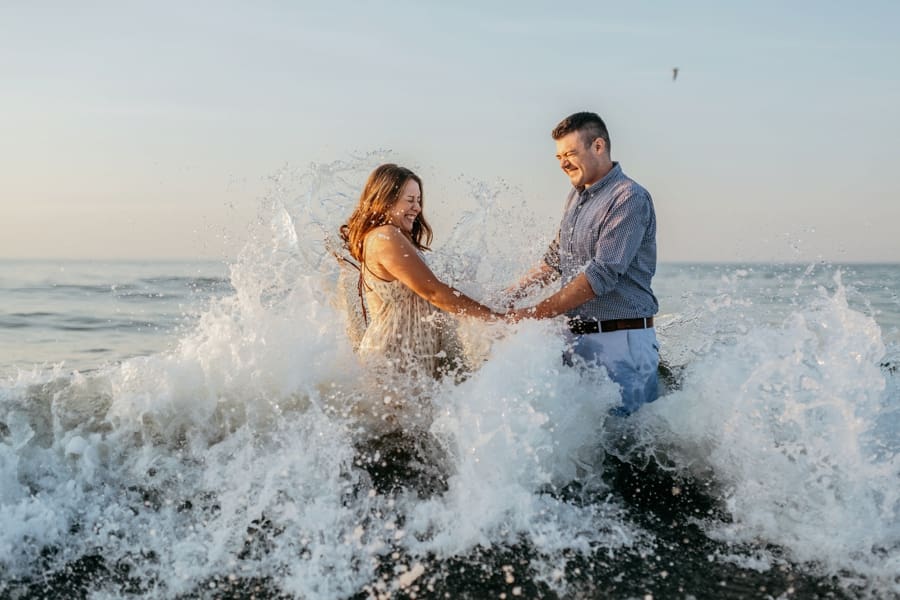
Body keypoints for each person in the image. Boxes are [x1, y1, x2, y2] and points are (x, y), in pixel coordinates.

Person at [507, 111, 659, 415]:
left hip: (620, 343)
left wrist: (532, 314)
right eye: (559, 156)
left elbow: (600, 276)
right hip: (577, 341)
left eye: (571, 153)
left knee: (626, 446)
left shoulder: (629, 198)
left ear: (598, 146)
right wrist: (507, 297)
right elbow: (554, 260)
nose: (563, 163)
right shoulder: (576, 197)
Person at [339, 163, 500, 387]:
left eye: (418, 200)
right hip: (391, 362)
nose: (416, 207)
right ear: (385, 199)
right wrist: (495, 319)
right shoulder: (385, 236)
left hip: (411, 362)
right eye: (409, 200)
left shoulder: (395, 237)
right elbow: (433, 291)